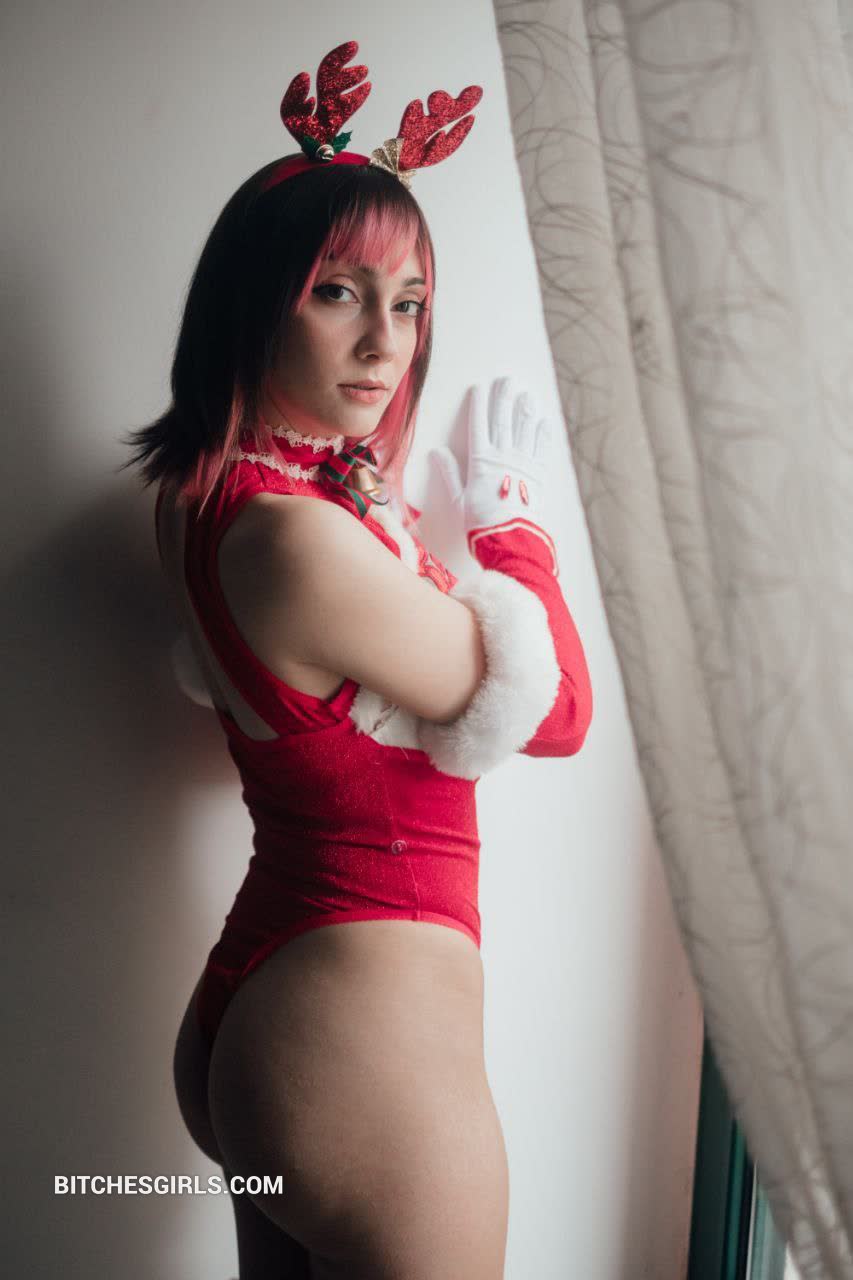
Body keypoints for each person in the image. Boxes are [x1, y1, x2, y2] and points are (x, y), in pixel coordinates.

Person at [121, 39, 592, 1280]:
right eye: (338, 292)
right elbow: (557, 711)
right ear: (254, 301)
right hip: (360, 1048)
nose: (385, 342)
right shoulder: (300, 541)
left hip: (284, 1009)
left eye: (410, 302)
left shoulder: (211, 493)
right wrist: (514, 531)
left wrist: (387, 509)